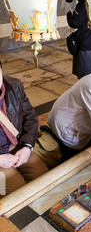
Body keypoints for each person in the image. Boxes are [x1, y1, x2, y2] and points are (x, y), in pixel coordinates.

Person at [0, 60, 49, 195]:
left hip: (16, 144)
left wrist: (27, 146)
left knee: (44, 178)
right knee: (19, 193)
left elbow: (30, 117)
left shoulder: (13, 86)